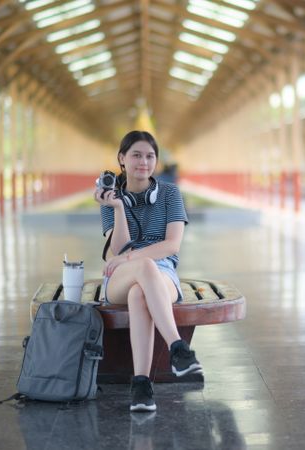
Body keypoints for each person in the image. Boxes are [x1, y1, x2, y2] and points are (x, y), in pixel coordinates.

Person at [94, 130, 202, 412]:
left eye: (150, 156)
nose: (144, 162)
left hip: (162, 274)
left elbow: (172, 245)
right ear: (122, 159)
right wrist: (117, 208)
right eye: (136, 155)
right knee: (141, 269)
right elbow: (117, 252)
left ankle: (141, 385)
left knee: (139, 294)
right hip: (120, 277)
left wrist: (133, 257)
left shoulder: (169, 193)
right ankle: (177, 348)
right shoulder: (110, 197)